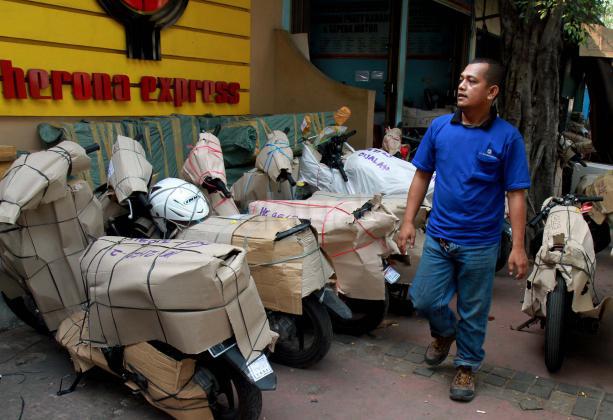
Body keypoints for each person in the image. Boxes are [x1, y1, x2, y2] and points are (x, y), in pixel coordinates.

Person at [396, 58, 530, 402]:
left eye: (471, 81)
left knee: (473, 309)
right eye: (461, 79)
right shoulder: (440, 128)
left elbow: (516, 194)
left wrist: (518, 246)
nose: (461, 86)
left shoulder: (508, 138)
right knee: (423, 298)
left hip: (480, 244)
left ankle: (466, 366)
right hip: (439, 236)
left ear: (492, 91)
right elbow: (421, 175)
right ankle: (444, 333)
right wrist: (408, 220)